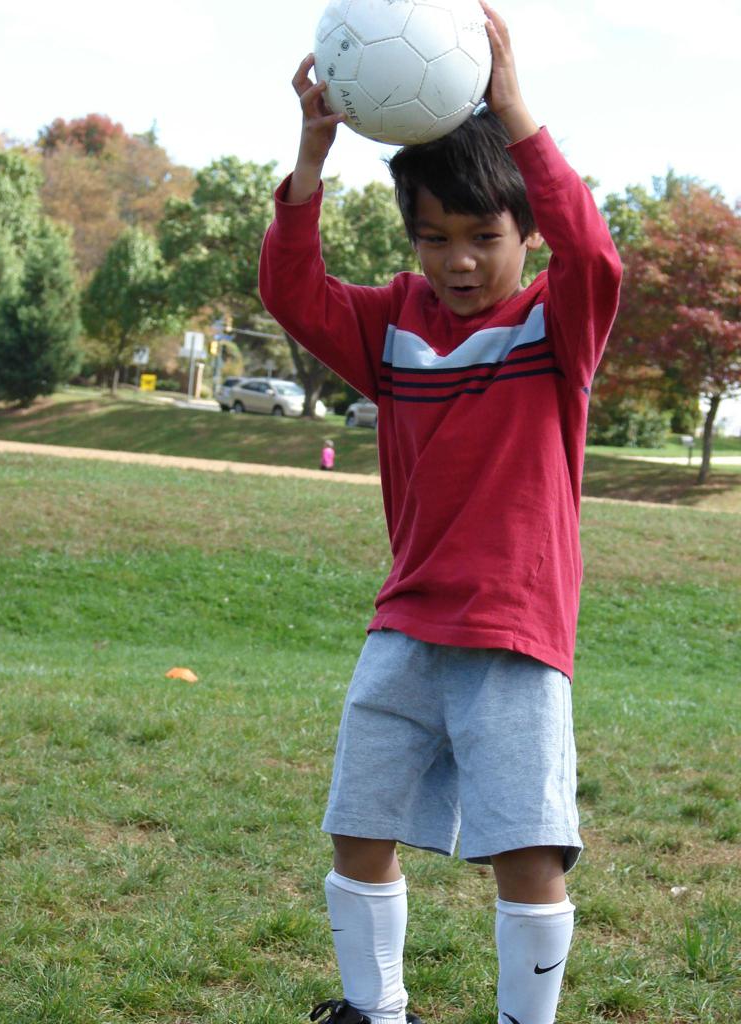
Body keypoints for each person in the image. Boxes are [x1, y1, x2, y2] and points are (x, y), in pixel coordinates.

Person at [258, 5, 622, 1023]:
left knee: (527, 848)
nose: (458, 261)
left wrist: (516, 113)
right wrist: (311, 158)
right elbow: (291, 291)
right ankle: (376, 1012)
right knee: (358, 826)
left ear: (526, 235)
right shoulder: (392, 324)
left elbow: (597, 259)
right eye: (434, 238)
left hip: (513, 634)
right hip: (407, 625)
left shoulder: (556, 325)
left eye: (483, 238)